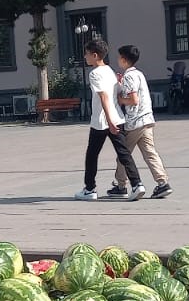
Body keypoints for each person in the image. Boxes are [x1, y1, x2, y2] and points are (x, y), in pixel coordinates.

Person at [74, 37, 144, 201]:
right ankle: (137, 184)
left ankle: (90, 189)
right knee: (124, 153)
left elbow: (104, 97)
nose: (85, 57)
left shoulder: (95, 74)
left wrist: (109, 121)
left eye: (87, 54)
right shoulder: (110, 71)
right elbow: (117, 93)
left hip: (101, 121)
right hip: (118, 117)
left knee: (92, 155)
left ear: (96, 55)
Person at [107, 45, 172, 199]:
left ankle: (121, 185)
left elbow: (133, 99)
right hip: (147, 119)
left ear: (123, 59)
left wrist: (120, 99)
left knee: (123, 155)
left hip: (135, 122)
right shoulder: (139, 74)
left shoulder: (129, 76)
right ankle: (163, 183)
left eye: (119, 58)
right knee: (150, 153)